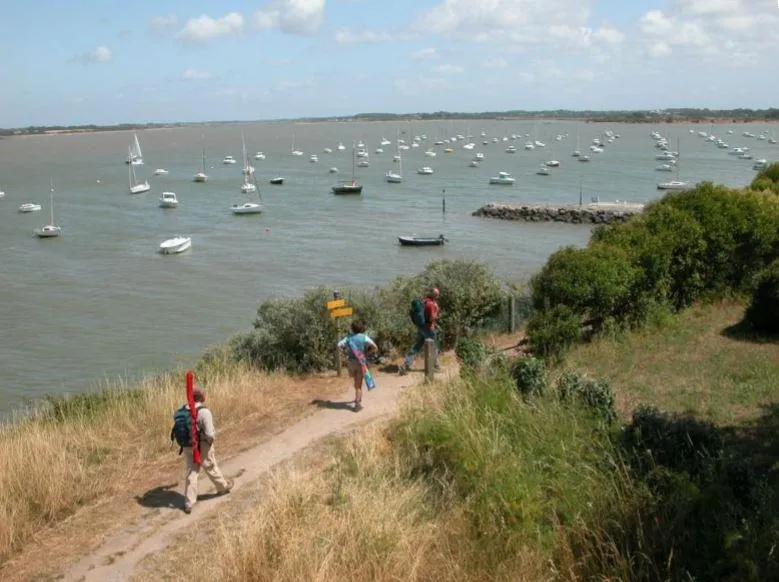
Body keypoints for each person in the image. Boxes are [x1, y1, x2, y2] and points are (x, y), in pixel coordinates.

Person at [181, 388, 233, 514]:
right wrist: (209, 443)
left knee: (191, 472)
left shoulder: (183, 409)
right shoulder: (204, 412)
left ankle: (189, 502)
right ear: (201, 398)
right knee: (210, 466)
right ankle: (222, 487)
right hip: (202, 445)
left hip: (187, 446)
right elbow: (210, 434)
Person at [337, 319, 378, 412]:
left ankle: (358, 396)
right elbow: (375, 347)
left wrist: (344, 354)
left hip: (351, 363)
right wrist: (367, 353)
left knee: (356, 381)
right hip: (360, 362)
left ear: (352, 328)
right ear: (362, 328)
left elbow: (339, 345)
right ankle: (357, 404)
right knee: (359, 384)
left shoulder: (348, 337)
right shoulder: (364, 337)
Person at [399, 287, 440, 375]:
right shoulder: (431, 304)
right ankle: (436, 366)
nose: (437, 296)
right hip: (428, 328)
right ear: (433, 294)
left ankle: (406, 365)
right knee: (434, 346)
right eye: (436, 294)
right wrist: (437, 310)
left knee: (417, 346)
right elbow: (432, 317)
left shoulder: (424, 301)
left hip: (421, 327)